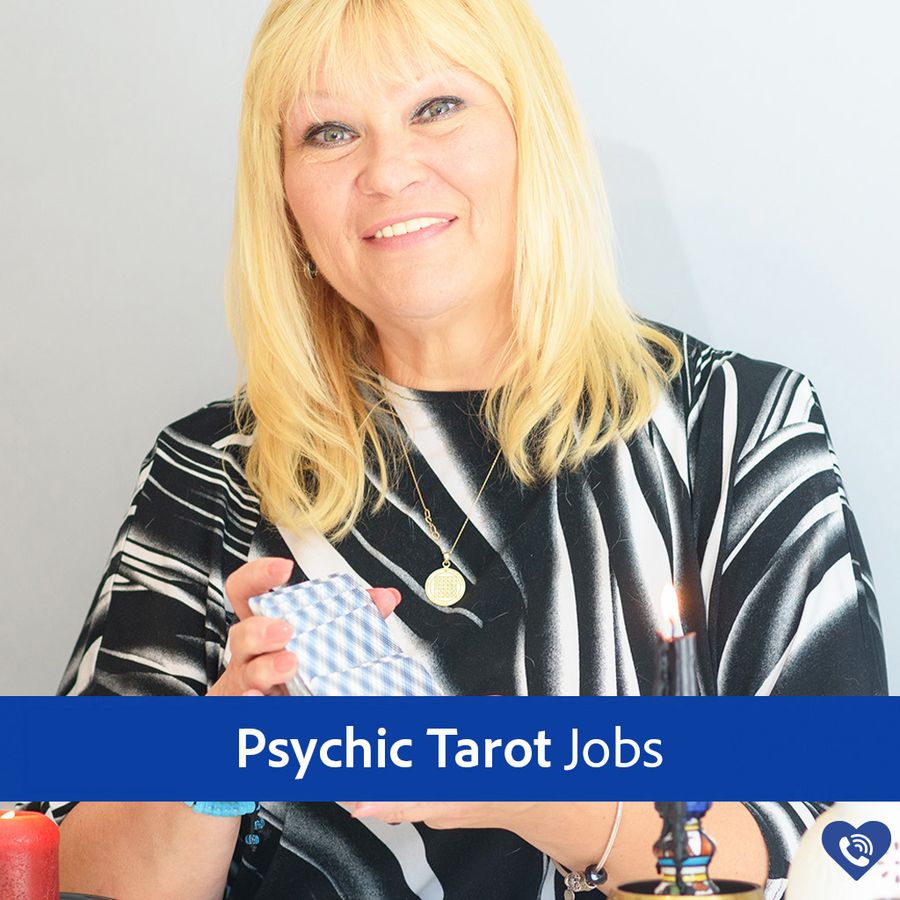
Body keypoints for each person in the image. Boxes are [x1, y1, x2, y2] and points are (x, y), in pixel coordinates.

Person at [18, 0, 887, 897]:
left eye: (437, 108)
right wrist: (219, 754)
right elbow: (60, 865)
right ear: (284, 196)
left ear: (530, 138)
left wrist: (512, 783)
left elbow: (846, 837)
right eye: (329, 132)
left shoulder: (735, 426)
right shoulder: (211, 468)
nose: (388, 170)